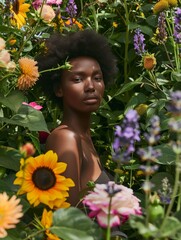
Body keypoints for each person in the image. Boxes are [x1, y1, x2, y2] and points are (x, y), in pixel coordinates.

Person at [37, 29, 117, 207]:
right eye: (78, 79)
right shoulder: (65, 138)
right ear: (59, 89)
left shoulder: (83, 138)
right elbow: (70, 222)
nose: (91, 86)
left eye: (97, 77)